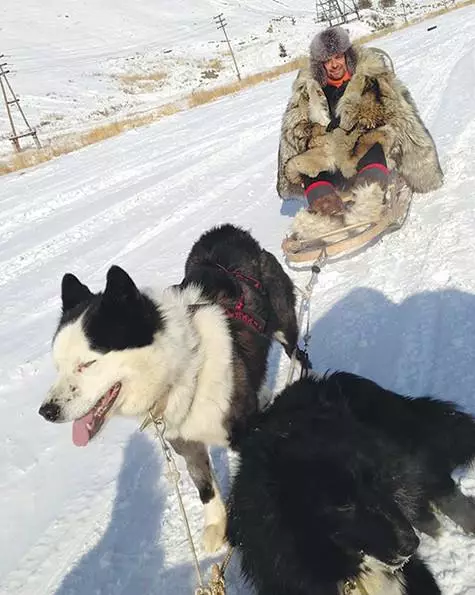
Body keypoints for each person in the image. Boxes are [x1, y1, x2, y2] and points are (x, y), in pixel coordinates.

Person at [276, 26, 443, 241]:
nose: (334, 64)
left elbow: (402, 118)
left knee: (375, 142)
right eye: (328, 60)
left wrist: (422, 171)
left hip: (366, 150)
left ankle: (369, 200)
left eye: (338, 57)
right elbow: (292, 132)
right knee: (307, 165)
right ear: (321, 65)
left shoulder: (371, 80)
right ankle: (325, 213)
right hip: (329, 156)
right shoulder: (309, 91)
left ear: (348, 55)